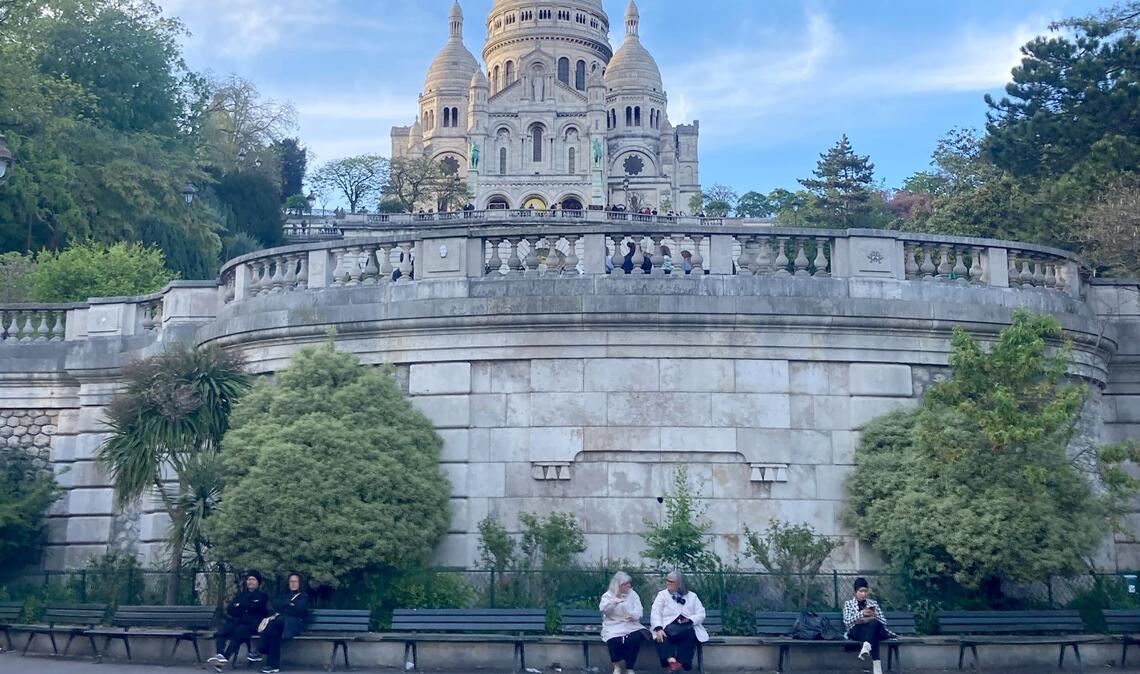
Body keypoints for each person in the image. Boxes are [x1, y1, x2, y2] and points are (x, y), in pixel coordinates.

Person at [208, 570, 269, 671]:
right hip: (237, 621)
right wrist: (244, 607)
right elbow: (231, 609)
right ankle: (220, 654)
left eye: (253, 579)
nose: (250, 582)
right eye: (249, 579)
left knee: (239, 633)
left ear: (258, 582)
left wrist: (240, 606)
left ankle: (224, 659)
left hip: (251, 624)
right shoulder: (240, 595)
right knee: (222, 631)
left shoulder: (262, 596)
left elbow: (257, 608)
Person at [650, 570, 707, 672]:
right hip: (667, 626)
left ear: (679, 584)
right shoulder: (662, 595)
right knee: (661, 635)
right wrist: (658, 628)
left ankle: (681, 664)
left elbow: (701, 614)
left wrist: (689, 620)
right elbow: (655, 612)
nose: (667, 583)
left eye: (671, 582)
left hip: (686, 627)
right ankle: (672, 661)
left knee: (690, 634)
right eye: (667, 580)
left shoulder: (692, 596)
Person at [258, 572, 311, 674]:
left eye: (295, 581)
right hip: (281, 626)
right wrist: (289, 605)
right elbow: (276, 604)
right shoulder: (284, 595)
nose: (293, 584)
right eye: (291, 581)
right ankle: (273, 666)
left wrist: (286, 606)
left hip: (294, 625)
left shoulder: (304, 596)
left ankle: (261, 649)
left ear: (300, 583)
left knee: (275, 622)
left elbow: (298, 610)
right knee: (275, 632)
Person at [842, 578, 894, 674]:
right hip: (858, 631)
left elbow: (883, 622)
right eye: (861, 591)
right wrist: (862, 615)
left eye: (865, 591)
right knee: (873, 633)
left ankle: (867, 645)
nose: (863, 594)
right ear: (855, 592)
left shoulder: (873, 604)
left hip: (873, 629)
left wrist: (873, 616)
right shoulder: (848, 604)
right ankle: (877, 668)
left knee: (873, 624)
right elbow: (847, 621)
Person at [599, 571, 645, 674]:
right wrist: (614, 602)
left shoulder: (633, 594)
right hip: (613, 624)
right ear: (618, 585)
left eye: (629, 583)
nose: (628, 586)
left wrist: (633, 615)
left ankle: (630, 667)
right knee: (613, 640)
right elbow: (604, 610)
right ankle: (617, 666)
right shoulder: (608, 595)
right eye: (625, 584)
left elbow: (639, 611)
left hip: (630, 624)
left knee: (634, 638)